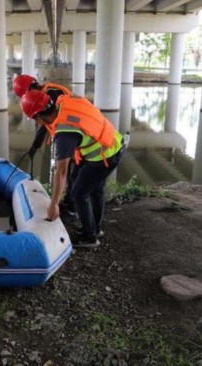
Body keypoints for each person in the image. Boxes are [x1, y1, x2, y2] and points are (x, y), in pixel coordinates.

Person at [20, 90, 126, 249]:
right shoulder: (66, 102)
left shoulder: (64, 133)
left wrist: (54, 203)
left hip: (104, 157)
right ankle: (95, 229)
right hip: (114, 143)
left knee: (78, 194)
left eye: (35, 119)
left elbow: (61, 171)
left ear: (40, 118)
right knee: (96, 189)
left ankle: (89, 237)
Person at [12, 74, 76, 215]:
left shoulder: (51, 96)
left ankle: (71, 207)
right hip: (70, 132)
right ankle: (70, 202)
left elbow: (44, 124)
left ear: (30, 88)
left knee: (69, 171)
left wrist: (35, 146)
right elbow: (45, 124)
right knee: (70, 171)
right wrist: (35, 147)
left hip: (72, 134)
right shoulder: (48, 92)